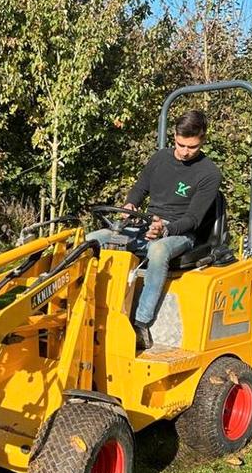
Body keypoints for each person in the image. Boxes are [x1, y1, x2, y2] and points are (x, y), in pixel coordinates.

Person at [88, 109, 222, 350]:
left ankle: (141, 324)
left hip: (180, 233)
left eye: (191, 147)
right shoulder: (159, 159)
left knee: (158, 251)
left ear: (202, 139)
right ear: (174, 136)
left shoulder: (209, 173)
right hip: (145, 223)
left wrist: (164, 230)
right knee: (92, 240)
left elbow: (193, 218)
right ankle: (85, 307)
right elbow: (140, 189)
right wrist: (130, 205)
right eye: (180, 144)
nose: (184, 151)